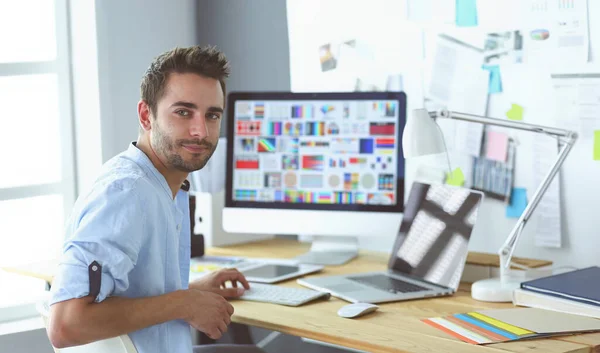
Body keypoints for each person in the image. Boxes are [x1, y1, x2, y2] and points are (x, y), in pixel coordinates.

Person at [48, 46, 265, 353]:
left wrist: (189, 291)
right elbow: (66, 325)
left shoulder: (162, 184)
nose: (200, 131)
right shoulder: (127, 193)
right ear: (145, 115)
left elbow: (122, 295)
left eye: (212, 115)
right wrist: (181, 302)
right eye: (183, 112)